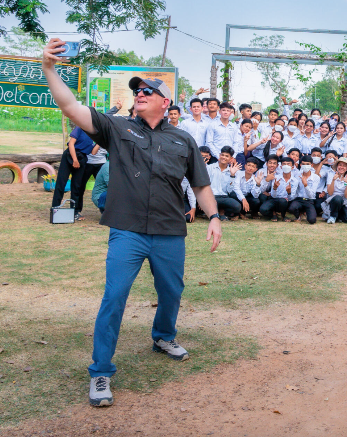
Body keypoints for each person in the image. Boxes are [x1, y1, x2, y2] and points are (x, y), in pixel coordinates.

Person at [41, 39, 221, 408]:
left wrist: (214, 216)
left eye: (148, 91)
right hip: (127, 230)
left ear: (165, 102)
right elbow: (70, 105)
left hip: (170, 230)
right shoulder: (116, 129)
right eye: (137, 90)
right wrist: (49, 69)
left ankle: (163, 336)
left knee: (172, 292)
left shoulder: (183, 140)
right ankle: (102, 371)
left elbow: (201, 184)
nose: (139, 93)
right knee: (114, 298)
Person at [51, 125, 96, 221]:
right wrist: (75, 160)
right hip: (70, 156)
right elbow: (71, 144)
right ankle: (55, 208)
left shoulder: (94, 133)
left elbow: (93, 152)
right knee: (61, 183)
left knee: (77, 186)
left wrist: (100, 143)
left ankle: (75, 211)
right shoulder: (80, 128)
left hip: (82, 158)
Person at [207, 146, 245, 221]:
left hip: (224, 197)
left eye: (227, 156)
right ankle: (219, 213)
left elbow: (229, 190)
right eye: (222, 155)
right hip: (211, 196)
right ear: (219, 155)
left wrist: (232, 175)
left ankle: (220, 211)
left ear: (231, 159)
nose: (223, 157)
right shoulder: (210, 168)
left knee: (237, 206)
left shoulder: (231, 170)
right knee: (210, 203)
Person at [323, 157, 347, 224]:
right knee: (338, 198)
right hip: (333, 199)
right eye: (340, 165)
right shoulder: (331, 175)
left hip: (345, 200)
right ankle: (333, 216)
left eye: (344, 166)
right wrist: (333, 180)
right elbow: (330, 193)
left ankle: (339, 215)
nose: (341, 167)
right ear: (337, 166)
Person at [267, 156, 302, 222]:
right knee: (264, 209)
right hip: (276, 200)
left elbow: (291, 198)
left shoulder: (295, 181)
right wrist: (274, 188)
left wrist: (289, 193)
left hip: (287, 202)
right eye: (284, 164)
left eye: (288, 164)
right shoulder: (276, 178)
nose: (286, 166)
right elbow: (273, 196)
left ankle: (283, 215)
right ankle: (274, 213)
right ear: (281, 167)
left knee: (284, 201)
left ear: (292, 167)